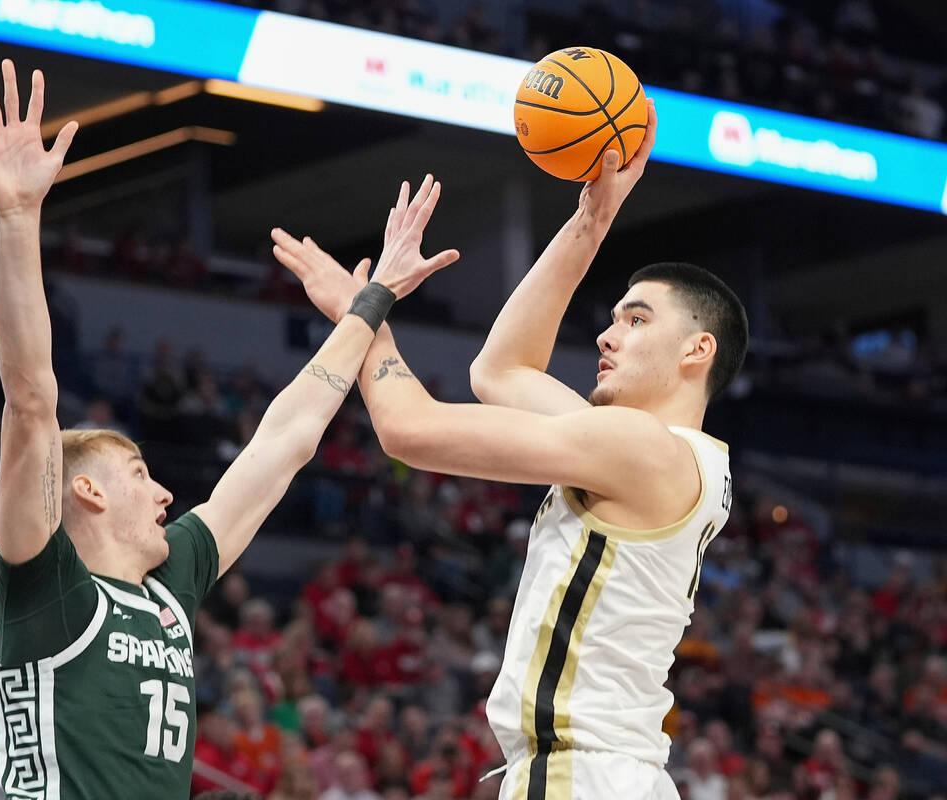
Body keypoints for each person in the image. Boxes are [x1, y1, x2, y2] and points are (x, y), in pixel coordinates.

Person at [0, 59, 458, 800]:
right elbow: (32, 396)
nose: (166, 494)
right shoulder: (47, 587)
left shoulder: (169, 587)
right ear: (88, 491)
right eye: (140, 475)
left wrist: (371, 302)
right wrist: (16, 218)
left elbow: (283, 442)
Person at [275, 100, 749, 800]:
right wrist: (591, 220)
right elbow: (500, 372)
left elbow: (408, 430)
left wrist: (366, 313)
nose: (607, 335)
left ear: (697, 349)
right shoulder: (667, 456)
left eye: (637, 319)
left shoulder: (638, 447)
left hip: (581, 774)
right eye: (614, 318)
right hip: (612, 773)